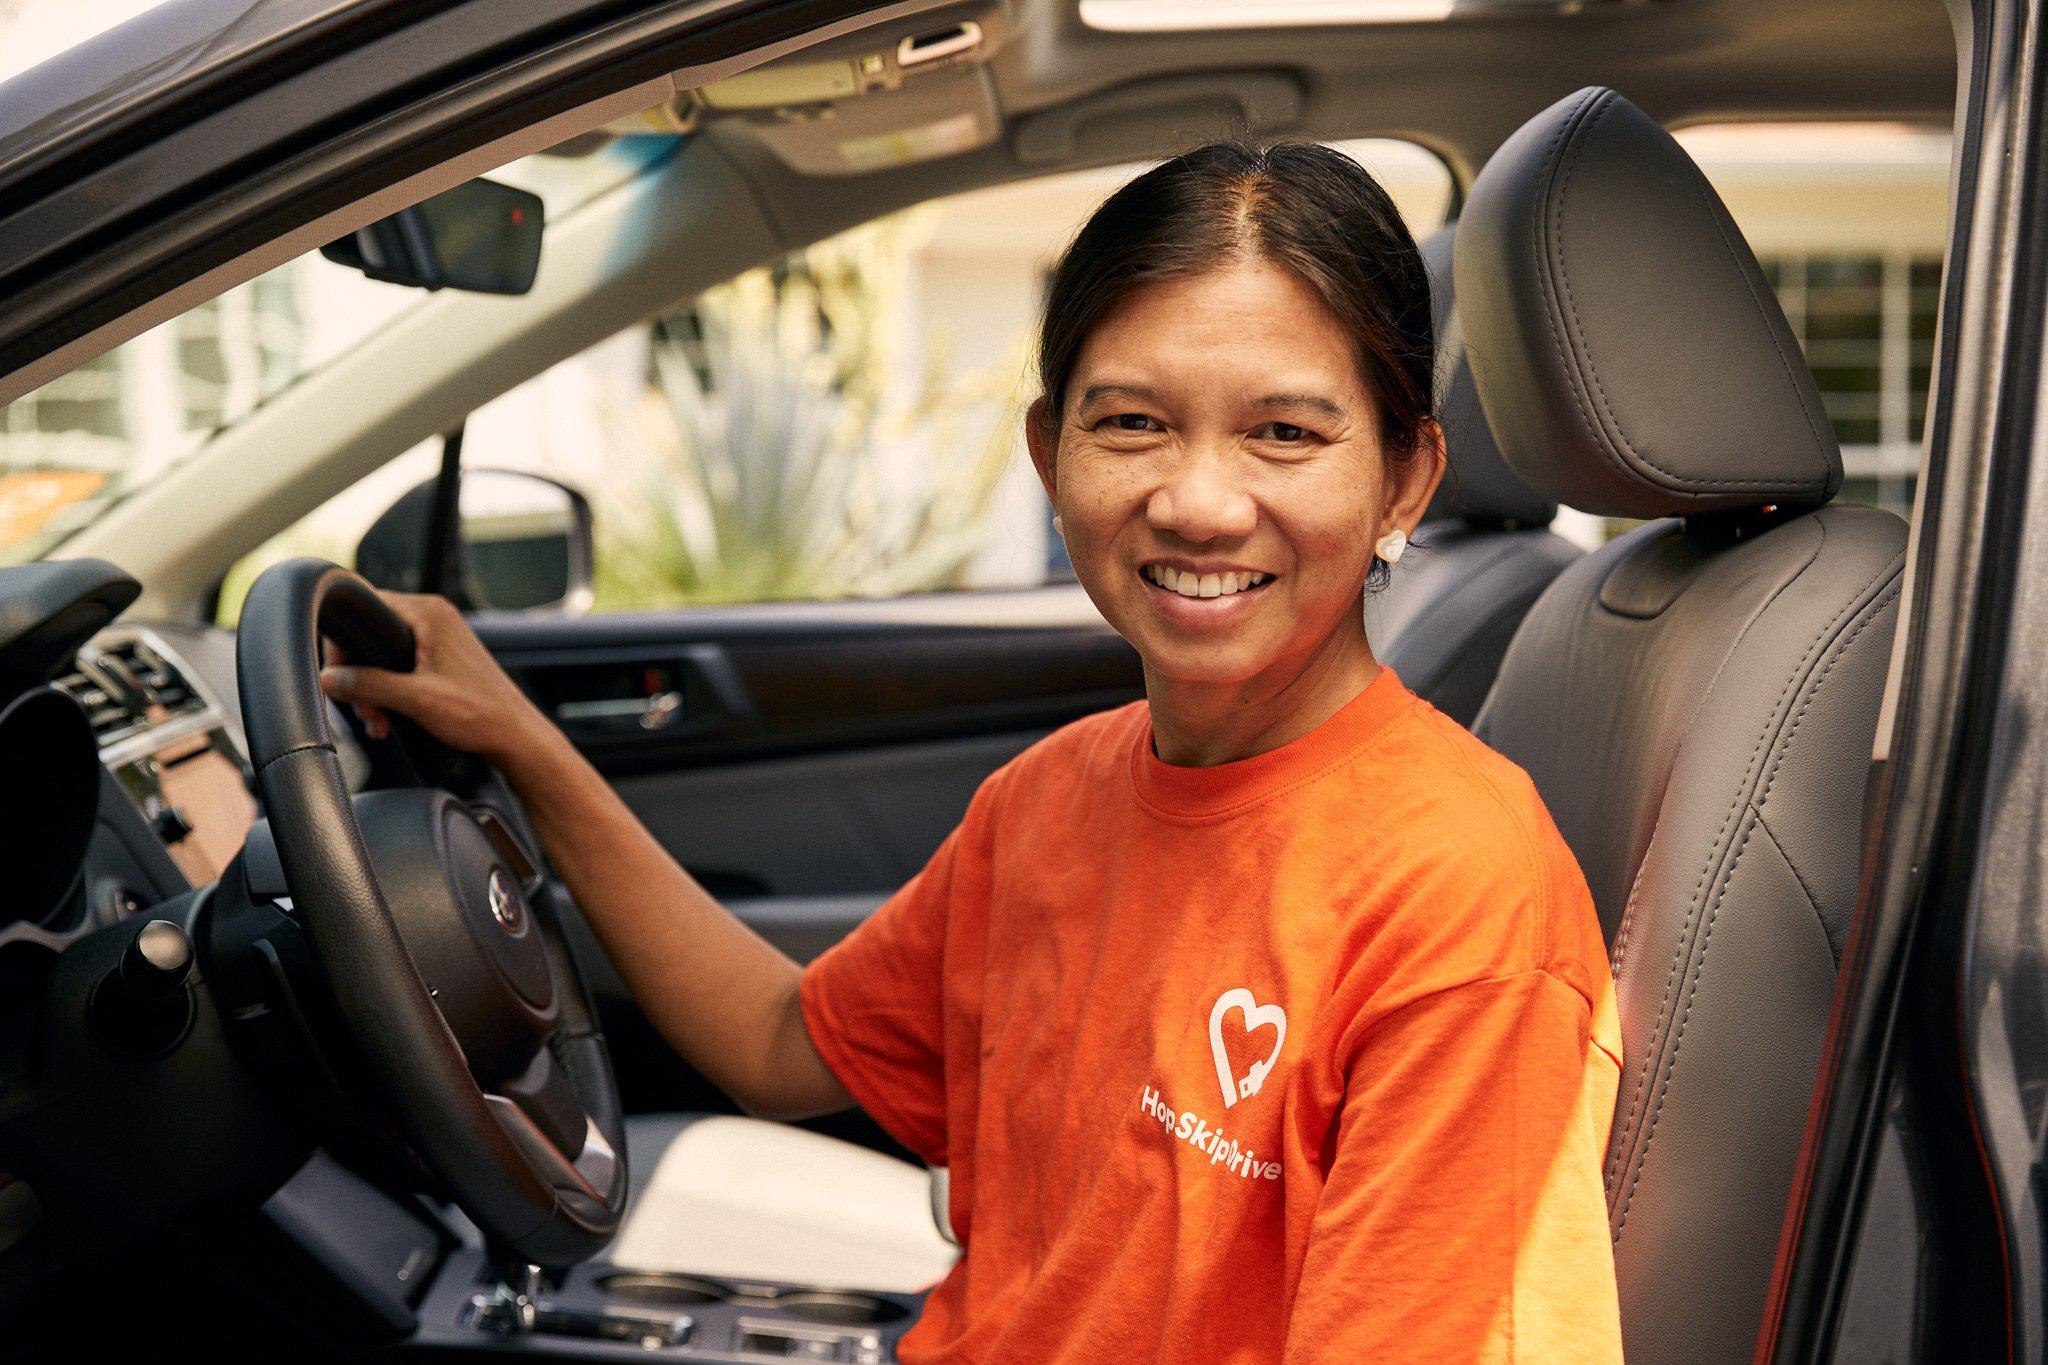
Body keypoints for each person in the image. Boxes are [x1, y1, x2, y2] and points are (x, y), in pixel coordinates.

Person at [320, 140, 1625, 1362]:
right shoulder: (1050, 802)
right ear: (1051, 457)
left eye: (1285, 432)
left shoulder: (1464, 903)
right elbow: (780, 1038)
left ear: (1405, 481)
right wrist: (516, 737)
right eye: (1133, 424)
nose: (1201, 500)